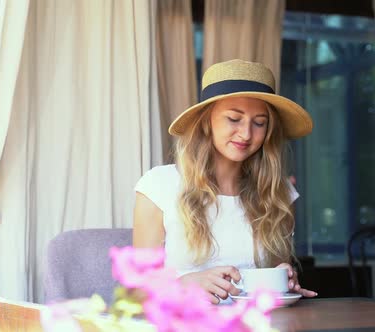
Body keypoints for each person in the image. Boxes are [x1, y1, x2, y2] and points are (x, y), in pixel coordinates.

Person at [133, 59, 317, 304]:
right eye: (234, 119)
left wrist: (284, 278)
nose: (246, 134)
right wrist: (183, 284)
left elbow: (272, 275)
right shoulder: (158, 186)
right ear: (207, 120)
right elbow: (136, 292)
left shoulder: (280, 193)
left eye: (259, 123)